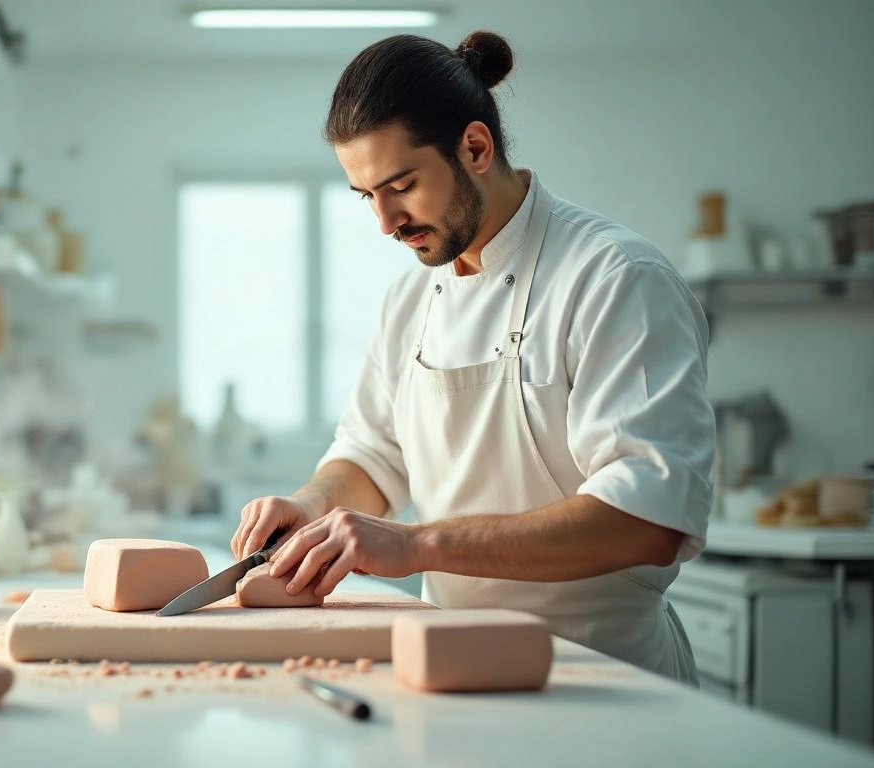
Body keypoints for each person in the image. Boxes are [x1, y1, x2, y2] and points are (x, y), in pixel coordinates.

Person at [230, 30, 715, 683]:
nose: (385, 221)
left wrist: (415, 544)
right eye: (366, 195)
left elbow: (645, 519)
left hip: (605, 674)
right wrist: (313, 505)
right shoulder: (409, 299)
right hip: (451, 666)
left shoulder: (615, 277)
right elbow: (373, 456)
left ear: (476, 147)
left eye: (401, 185)